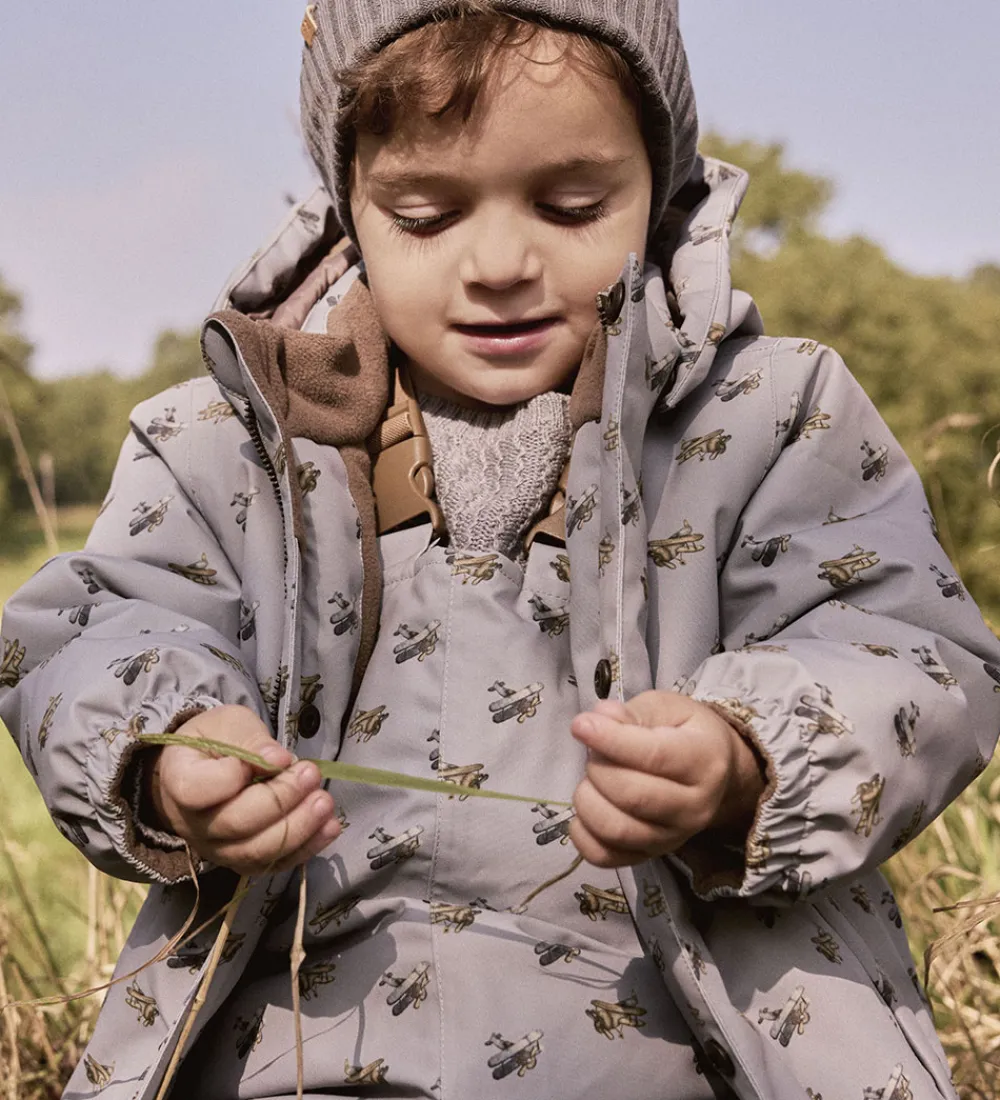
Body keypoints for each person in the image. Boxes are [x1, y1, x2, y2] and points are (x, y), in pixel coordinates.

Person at [3, 1, 999, 1097]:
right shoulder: (224, 442)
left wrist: (745, 753)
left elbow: (908, 646)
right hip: (292, 1053)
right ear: (350, 212)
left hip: (681, 1056)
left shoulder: (772, 415)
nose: (499, 263)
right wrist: (171, 747)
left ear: (658, 189)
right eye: (426, 216)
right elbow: (93, 627)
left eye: (572, 204)